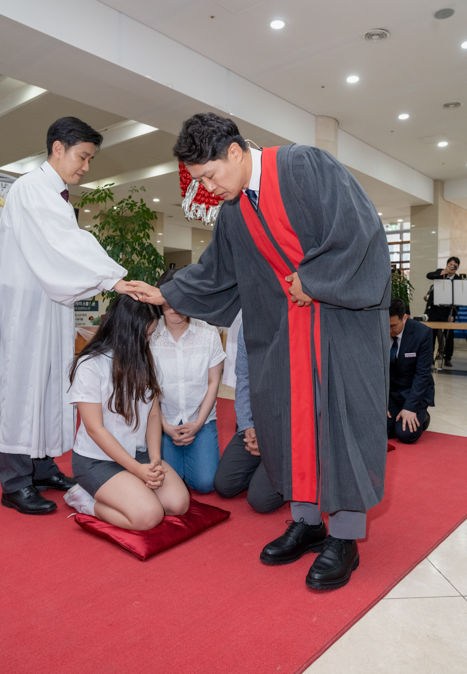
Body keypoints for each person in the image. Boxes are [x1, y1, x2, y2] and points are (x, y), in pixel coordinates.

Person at [127, 113, 390, 591]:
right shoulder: (233, 212)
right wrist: (168, 293)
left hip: (338, 326)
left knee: (340, 425)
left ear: (234, 152)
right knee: (290, 425)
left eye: (209, 175)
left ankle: (346, 539)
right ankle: (308, 522)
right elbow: (216, 273)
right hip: (284, 334)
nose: (207, 188)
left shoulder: (305, 166)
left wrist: (313, 282)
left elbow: (360, 231)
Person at [0, 117, 135, 516]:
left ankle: (41, 467)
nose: (86, 167)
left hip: (49, 305)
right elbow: (67, 243)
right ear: (57, 148)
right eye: (83, 156)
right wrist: (116, 278)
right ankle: (13, 480)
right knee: (22, 389)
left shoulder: (53, 192)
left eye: (90, 159)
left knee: (49, 385)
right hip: (25, 308)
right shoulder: (31, 188)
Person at [65, 295, 190, 527]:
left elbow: (153, 414)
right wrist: (137, 470)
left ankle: (128, 489)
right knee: (149, 516)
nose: (147, 341)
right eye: (144, 335)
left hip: (138, 453)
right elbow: (95, 429)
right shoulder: (90, 365)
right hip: (97, 459)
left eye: (150, 335)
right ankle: (84, 500)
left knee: (178, 504)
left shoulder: (145, 358)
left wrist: (154, 461)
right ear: (123, 330)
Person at [149, 269, 226, 493]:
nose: (175, 308)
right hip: (162, 423)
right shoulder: (150, 335)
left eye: (182, 300)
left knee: (205, 484)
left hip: (200, 421)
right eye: (169, 301)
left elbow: (213, 383)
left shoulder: (209, 333)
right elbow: (148, 388)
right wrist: (165, 426)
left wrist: (198, 424)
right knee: (164, 484)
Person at [214, 323, 285, 513]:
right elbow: (243, 378)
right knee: (224, 485)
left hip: (288, 431)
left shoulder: (295, 323)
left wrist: (271, 439)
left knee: (260, 500)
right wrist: (247, 425)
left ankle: (305, 468)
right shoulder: (248, 326)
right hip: (257, 422)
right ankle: (267, 465)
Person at [388, 298, 434, 444]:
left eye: (393, 326)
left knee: (406, 434)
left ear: (405, 317)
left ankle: (423, 416)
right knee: (382, 430)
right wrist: (381, 403)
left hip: (413, 391)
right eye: (386, 326)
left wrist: (410, 407)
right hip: (391, 392)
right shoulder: (380, 331)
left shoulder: (422, 333)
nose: (389, 331)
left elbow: (422, 375)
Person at [426, 257, 463, 367]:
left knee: (449, 336)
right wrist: (443, 272)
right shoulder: (440, 272)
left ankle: (448, 358)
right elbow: (428, 275)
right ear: (447, 265)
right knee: (431, 335)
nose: (452, 266)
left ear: (457, 267)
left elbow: (459, 299)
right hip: (435, 310)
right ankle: (430, 357)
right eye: (450, 264)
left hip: (449, 311)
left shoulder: (458, 279)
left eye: (454, 265)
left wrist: (453, 315)